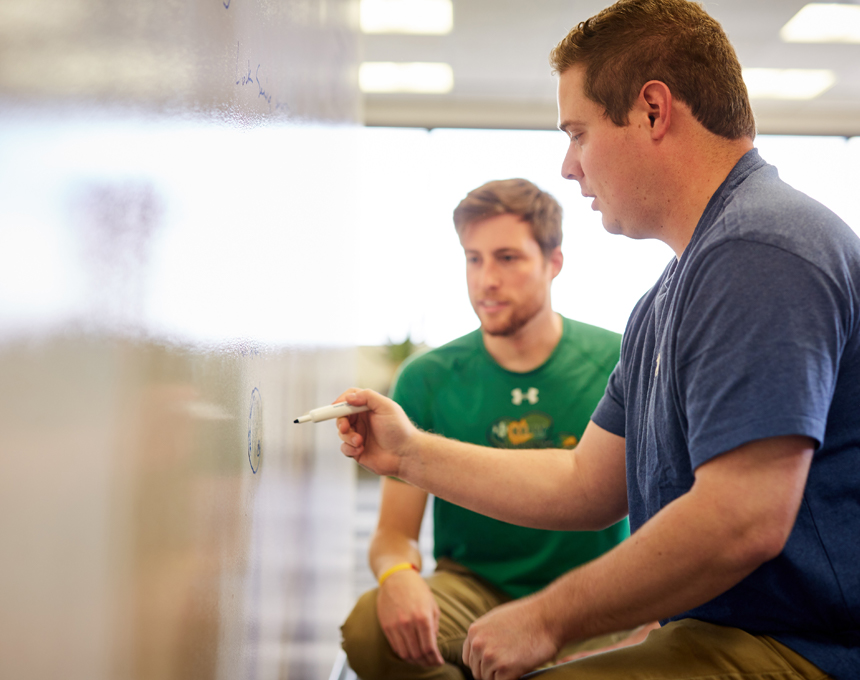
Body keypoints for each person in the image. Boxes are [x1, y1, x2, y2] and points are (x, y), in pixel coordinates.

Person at [335, 1, 860, 679]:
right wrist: (407, 453)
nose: (567, 165)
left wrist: (548, 617)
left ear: (651, 110)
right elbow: (585, 484)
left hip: (803, 648)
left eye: (577, 133)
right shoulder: (670, 296)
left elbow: (743, 518)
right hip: (727, 627)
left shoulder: (761, 248)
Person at [341, 179, 656, 680]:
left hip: (595, 599)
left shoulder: (620, 360)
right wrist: (399, 575)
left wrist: (650, 622)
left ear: (554, 262)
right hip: (475, 592)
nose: (486, 280)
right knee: (370, 628)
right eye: (474, 259)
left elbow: (668, 519)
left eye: (508, 258)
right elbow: (392, 536)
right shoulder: (427, 378)